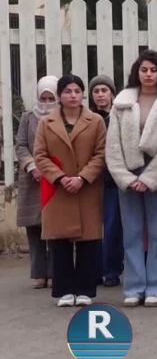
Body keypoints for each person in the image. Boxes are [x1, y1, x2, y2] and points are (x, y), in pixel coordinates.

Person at [107, 50, 157, 308]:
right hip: (127, 174)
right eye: (144, 70)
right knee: (132, 233)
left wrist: (150, 178)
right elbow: (112, 146)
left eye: (153, 70)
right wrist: (126, 178)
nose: (148, 74)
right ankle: (134, 287)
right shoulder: (121, 102)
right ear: (136, 72)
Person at [33, 74, 107, 307]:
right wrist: (60, 177)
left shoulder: (95, 121)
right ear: (59, 96)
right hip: (59, 190)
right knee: (60, 241)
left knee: (88, 241)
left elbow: (101, 153)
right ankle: (64, 290)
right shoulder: (47, 123)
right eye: (68, 91)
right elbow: (40, 155)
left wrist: (83, 177)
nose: (73, 96)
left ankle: (85, 289)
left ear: (82, 94)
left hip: (86, 188)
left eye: (77, 91)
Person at [15, 76, 58, 289]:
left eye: (52, 97)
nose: (48, 101)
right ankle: (39, 273)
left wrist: (51, 169)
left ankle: (55, 272)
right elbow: (21, 145)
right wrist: (33, 167)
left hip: (56, 177)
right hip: (33, 179)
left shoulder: (62, 117)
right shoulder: (27, 117)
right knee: (35, 227)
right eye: (44, 97)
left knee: (55, 227)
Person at [89, 75, 122, 287]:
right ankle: (93, 270)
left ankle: (111, 270)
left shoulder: (119, 117)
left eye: (104, 90)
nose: (101, 95)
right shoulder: (88, 119)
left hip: (112, 181)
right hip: (91, 180)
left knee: (112, 227)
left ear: (111, 93)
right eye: (96, 91)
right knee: (92, 228)